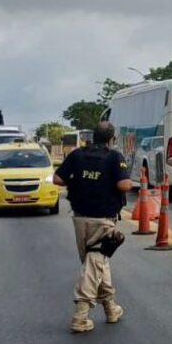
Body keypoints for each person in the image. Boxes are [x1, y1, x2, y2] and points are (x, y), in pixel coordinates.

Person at [53, 121, 133, 333]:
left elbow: (57, 178)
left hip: (80, 218)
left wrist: (78, 180)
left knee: (97, 261)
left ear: (92, 137)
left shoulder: (78, 154)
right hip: (103, 219)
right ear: (112, 139)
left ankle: (110, 308)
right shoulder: (114, 157)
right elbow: (124, 185)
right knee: (94, 263)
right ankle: (81, 314)